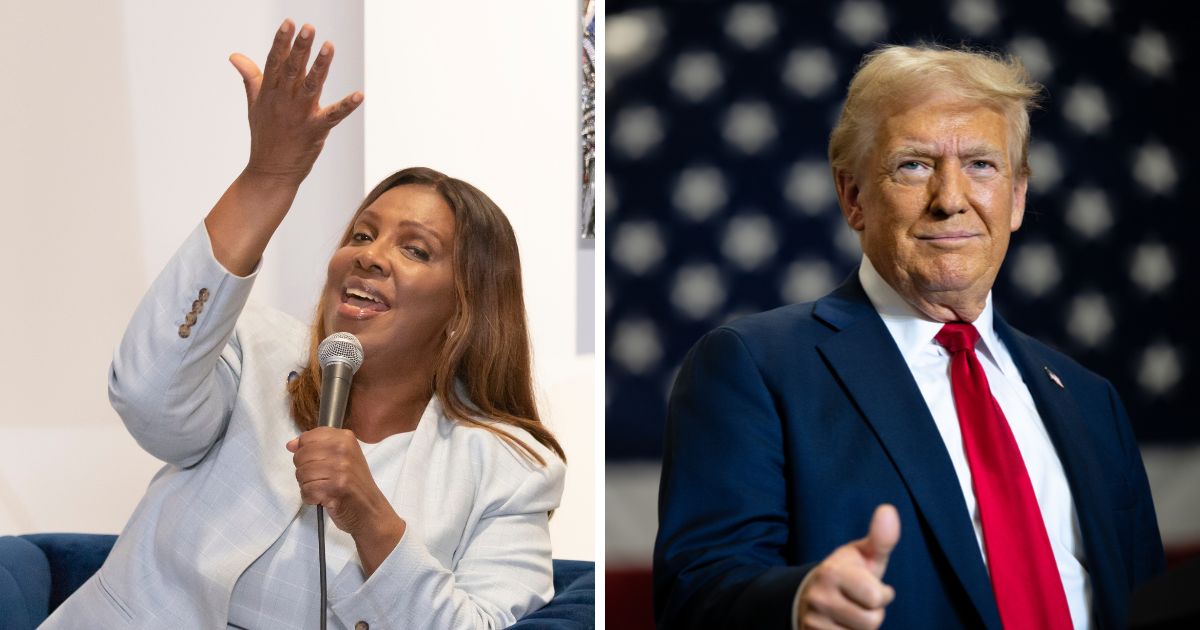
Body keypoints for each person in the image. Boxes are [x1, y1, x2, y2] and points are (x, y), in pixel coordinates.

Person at [42, 20, 565, 629]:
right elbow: (144, 396)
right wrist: (268, 178)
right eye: (362, 235)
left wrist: (371, 516)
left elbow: (482, 625)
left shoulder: (512, 469)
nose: (368, 255)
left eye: (415, 250)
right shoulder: (249, 354)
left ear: (464, 308)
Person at [654, 45, 1164, 630]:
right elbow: (696, 594)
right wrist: (796, 604)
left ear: (1017, 196)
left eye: (981, 165)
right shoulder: (754, 367)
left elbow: (1146, 600)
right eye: (914, 165)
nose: (950, 200)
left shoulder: (1089, 399)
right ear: (853, 196)